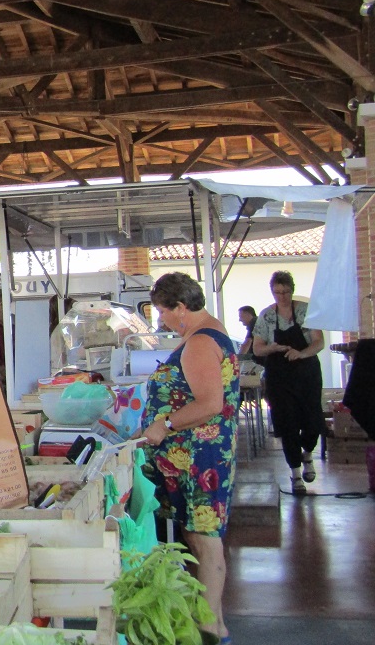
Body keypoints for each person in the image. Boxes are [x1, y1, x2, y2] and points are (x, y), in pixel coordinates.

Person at [141, 272, 238, 645]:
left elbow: (210, 403)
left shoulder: (199, 342)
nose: (161, 318)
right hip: (199, 454)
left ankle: (212, 627)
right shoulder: (209, 332)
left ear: (181, 308)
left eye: (163, 311)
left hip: (201, 457)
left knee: (203, 536)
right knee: (198, 535)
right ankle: (206, 622)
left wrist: (164, 422)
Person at [251, 271, 324, 495]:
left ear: (292, 290)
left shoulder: (305, 311)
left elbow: (318, 342)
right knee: (287, 422)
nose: (281, 297)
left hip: (307, 374)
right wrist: (272, 348)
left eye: (286, 292)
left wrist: (301, 354)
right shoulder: (266, 316)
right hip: (279, 376)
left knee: (313, 420)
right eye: (277, 293)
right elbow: (257, 348)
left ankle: (308, 453)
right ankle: (295, 472)